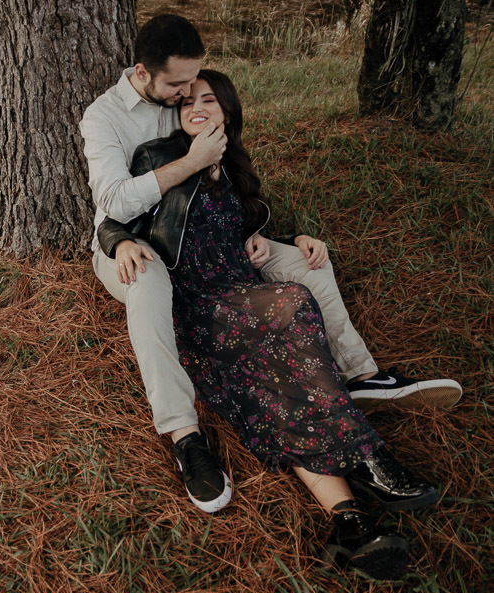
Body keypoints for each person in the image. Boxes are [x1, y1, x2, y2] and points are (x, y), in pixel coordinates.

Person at [79, 14, 461, 515]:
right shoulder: (104, 117)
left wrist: (262, 229)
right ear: (143, 72)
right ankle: (183, 435)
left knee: (307, 262)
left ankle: (359, 376)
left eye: (195, 84)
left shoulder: (187, 101)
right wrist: (136, 221)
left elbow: (224, 182)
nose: (186, 95)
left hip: (207, 237)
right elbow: (112, 201)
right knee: (148, 278)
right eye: (177, 86)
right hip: (129, 243)